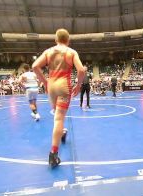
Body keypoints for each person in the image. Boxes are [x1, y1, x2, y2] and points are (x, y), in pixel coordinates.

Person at [32, 28, 85, 168]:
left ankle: (62, 132)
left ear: (55, 40)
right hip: (63, 86)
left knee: (57, 116)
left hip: (51, 87)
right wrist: (78, 85)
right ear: (68, 40)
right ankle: (53, 154)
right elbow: (81, 70)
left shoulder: (48, 52)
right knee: (59, 118)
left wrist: (45, 82)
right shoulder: (71, 52)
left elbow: (35, 66)